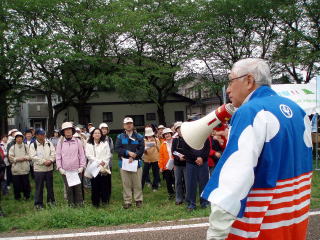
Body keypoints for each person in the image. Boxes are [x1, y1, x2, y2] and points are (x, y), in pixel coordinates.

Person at [202, 58, 313, 240]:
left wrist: (215, 234)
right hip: (294, 223)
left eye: (231, 80)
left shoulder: (250, 112)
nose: (228, 89)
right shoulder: (298, 110)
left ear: (249, 80)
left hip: (260, 227)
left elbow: (232, 182)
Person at [115, 117, 145, 209]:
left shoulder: (139, 136)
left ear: (132, 125)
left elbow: (141, 149)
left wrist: (134, 155)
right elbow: (118, 148)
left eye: (130, 123)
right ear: (124, 126)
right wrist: (127, 153)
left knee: (137, 183)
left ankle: (138, 200)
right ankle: (127, 201)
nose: (128, 125)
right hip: (124, 163)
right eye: (127, 123)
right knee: (126, 183)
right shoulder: (120, 137)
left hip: (136, 163)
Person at [56, 122, 86, 206]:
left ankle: (79, 205)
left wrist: (82, 167)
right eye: (66, 130)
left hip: (77, 170)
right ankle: (71, 206)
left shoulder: (77, 141)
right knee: (69, 189)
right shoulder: (60, 142)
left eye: (69, 129)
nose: (68, 131)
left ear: (72, 131)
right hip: (65, 171)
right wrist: (60, 168)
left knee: (78, 189)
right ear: (63, 132)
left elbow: (82, 155)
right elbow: (58, 156)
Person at [29, 128, 56, 209]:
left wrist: (51, 160)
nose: (43, 136)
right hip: (39, 170)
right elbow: (33, 157)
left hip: (49, 169)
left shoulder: (49, 143)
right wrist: (44, 162)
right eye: (41, 134)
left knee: (50, 187)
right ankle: (38, 204)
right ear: (36, 135)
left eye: (44, 134)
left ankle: (51, 202)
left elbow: (53, 153)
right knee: (39, 187)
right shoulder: (33, 145)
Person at [85, 128, 111, 207]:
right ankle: (95, 203)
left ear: (101, 134)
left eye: (99, 133)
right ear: (92, 135)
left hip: (104, 167)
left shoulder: (105, 143)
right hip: (94, 167)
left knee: (104, 185)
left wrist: (104, 162)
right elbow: (89, 155)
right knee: (95, 185)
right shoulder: (89, 144)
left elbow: (108, 154)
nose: (97, 134)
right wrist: (99, 162)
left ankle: (105, 201)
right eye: (95, 133)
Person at [184, 132, 210, 211]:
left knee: (204, 183)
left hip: (203, 163)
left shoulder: (205, 137)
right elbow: (186, 151)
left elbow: (207, 149)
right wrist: (196, 158)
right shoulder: (186, 139)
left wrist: (202, 158)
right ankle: (191, 204)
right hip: (191, 164)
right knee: (191, 184)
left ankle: (204, 202)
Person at [8, 132, 31, 200]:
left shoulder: (26, 146)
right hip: (16, 169)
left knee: (25, 184)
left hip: (25, 169)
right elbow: (10, 158)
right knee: (16, 184)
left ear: (22, 138)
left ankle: (27, 196)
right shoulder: (12, 147)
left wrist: (25, 158)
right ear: (15, 139)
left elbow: (30, 156)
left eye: (20, 137)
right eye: (17, 138)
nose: (19, 139)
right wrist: (18, 159)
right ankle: (17, 197)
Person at [171, 122, 187, 205]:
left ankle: (187, 197)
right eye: (178, 128)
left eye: (181, 128)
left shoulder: (188, 138)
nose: (180, 130)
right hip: (177, 164)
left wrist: (185, 157)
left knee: (187, 182)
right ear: (176, 130)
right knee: (178, 181)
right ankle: (179, 198)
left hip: (187, 163)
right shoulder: (175, 139)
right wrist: (179, 157)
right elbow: (173, 151)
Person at [142, 127, 160, 191]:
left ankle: (155, 186)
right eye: (148, 135)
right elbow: (143, 151)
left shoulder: (156, 140)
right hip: (147, 159)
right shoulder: (144, 140)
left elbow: (159, 150)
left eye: (150, 135)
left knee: (156, 173)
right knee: (144, 173)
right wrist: (145, 148)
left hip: (155, 158)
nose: (149, 136)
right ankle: (142, 186)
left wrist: (155, 145)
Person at [158, 128, 175, 200]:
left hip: (176, 164)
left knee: (177, 180)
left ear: (171, 134)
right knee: (168, 181)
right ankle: (171, 194)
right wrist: (161, 166)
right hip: (167, 166)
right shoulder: (162, 145)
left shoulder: (175, 141)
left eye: (168, 133)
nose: (167, 135)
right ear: (164, 136)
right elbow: (161, 156)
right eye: (165, 134)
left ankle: (179, 193)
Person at [100, 123, 113, 203]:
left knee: (108, 180)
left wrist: (106, 160)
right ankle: (101, 196)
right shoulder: (97, 138)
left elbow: (112, 151)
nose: (104, 130)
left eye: (105, 129)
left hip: (108, 163)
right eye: (102, 129)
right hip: (99, 164)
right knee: (100, 180)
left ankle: (108, 196)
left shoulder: (110, 139)